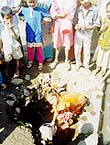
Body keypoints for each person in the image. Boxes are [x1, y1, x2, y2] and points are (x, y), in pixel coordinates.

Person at [19, 0, 51, 71]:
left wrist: (44, 19)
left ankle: (40, 62)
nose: (32, 4)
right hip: (29, 33)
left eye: (33, 2)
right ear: (26, 2)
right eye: (30, 2)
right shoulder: (24, 10)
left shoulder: (39, 10)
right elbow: (20, 16)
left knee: (39, 49)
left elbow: (48, 16)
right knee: (29, 49)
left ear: (36, 1)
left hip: (37, 33)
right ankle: (30, 60)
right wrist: (23, 19)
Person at [50, 0, 77, 71]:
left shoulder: (72, 2)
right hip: (58, 23)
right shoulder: (55, 1)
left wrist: (64, 17)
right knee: (57, 41)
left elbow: (72, 14)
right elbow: (52, 12)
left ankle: (67, 60)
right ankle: (56, 59)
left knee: (67, 42)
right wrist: (59, 15)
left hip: (67, 23)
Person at [74, 0, 100, 71]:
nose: (84, 2)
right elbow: (75, 20)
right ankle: (78, 63)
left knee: (87, 51)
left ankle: (86, 66)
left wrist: (86, 27)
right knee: (77, 49)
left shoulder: (94, 10)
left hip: (88, 34)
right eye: (82, 0)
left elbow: (96, 24)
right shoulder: (78, 9)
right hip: (78, 33)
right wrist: (76, 25)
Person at [0, 6, 23, 78]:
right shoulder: (1, 27)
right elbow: (0, 39)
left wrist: (12, 29)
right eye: (7, 18)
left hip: (15, 46)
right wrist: (1, 48)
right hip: (6, 47)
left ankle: (17, 69)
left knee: (17, 58)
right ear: (3, 18)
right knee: (7, 58)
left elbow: (16, 37)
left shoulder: (14, 25)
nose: (9, 20)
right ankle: (7, 68)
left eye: (11, 17)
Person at [93, 1, 110, 81]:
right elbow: (100, 31)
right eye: (107, 12)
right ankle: (97, 68)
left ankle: (103, 71)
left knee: (106, 58)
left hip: (109, 44)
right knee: (100, 56)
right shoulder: (105, 19)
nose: (109, 14)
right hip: (102, 41)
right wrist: (102, 29)